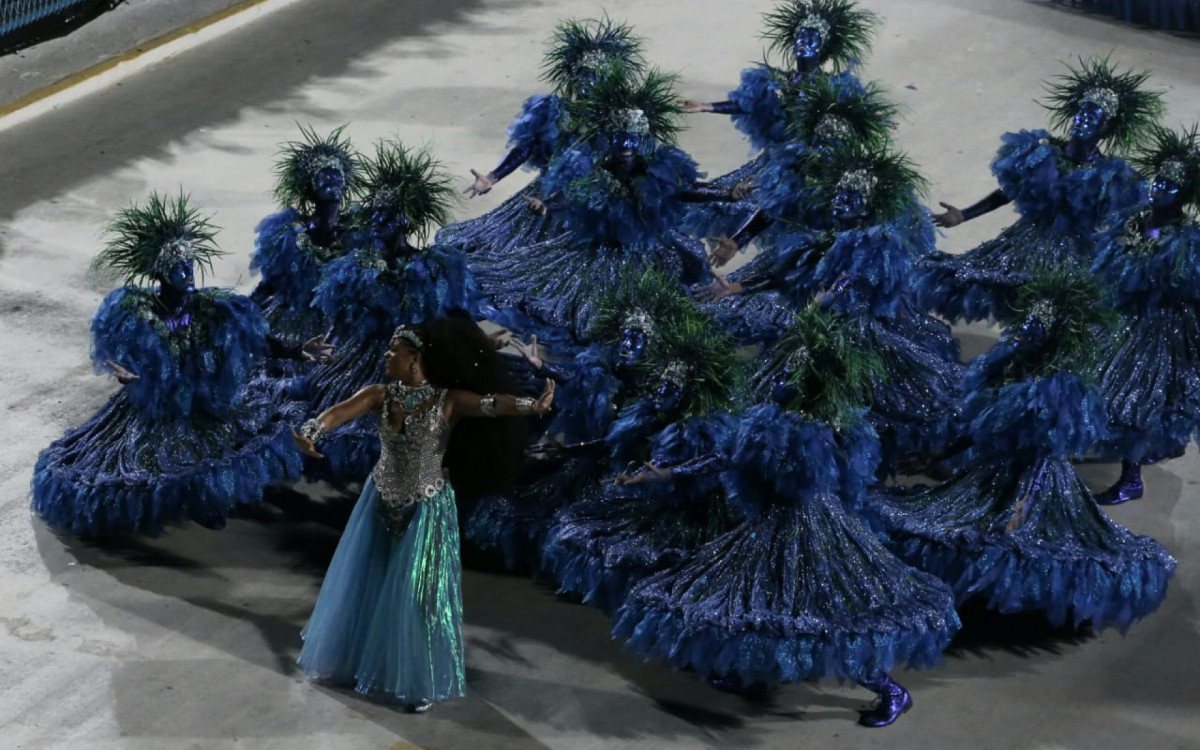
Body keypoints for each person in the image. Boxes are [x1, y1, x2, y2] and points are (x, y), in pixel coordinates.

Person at [615, 303, 959, 728]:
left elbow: (838, 478)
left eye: (788, 375)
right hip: (769, 525)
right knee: (756, 601)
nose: (777, 379)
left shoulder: (830, 427)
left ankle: (891, 691)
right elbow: (726, 458)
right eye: (779, 372)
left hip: (817, 528)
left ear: (808, 385)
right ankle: (752, 671)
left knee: (832, 611)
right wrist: (666, 472)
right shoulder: (765, 421)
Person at [870, 268, 1176, 632]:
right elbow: (986, 428)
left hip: (1034, 484)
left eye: (1036, 324)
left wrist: (1021, 506)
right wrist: (941, 456)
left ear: (1052, 336)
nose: (1024, 329)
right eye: (1027, 321)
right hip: (989, 473)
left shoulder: (1057, 390)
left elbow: (1045, 456)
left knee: (1015, 540)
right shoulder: (1010, 370)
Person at [292, 318, 553, 711]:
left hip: (426, 506)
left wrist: (532, 405)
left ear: (415, 358)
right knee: (367, 581)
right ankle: (356, 660)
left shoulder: (448, 400)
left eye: (394, 351)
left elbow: (492, 404)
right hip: (379, 500)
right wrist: (312, 430)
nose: (386, 356)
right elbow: (339, 413)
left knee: (420, 594)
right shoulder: (379, 394)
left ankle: (418, 679)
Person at [32, 193, 322, 535]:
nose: (187, 272)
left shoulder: (213, 306)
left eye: (190, 263)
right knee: (154, 461)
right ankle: (188, 501)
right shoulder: (137, 310)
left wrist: (294, 350)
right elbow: (116, 352)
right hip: (154, 406)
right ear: (160, 270)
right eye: (178, 265)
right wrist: (123, 371)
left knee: (217, 449)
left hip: (201, 402)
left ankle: (207, 500)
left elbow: (256, 339)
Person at [296, 139, 487, 484]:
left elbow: (454, 313)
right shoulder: (356, 267)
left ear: (404, 220)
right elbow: (343, 316)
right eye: (375, 211)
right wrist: (330, 345)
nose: (376, 220)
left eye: (385, 213)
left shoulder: (432, 266)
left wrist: (481, 344)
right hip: (368, 357)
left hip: (416, 360)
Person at [913, 57, 1160, 323]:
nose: (1082, 121)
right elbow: (1009, 191)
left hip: (1075, 257)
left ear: (1104, 128)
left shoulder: (1110, 177)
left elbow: (1131, 220)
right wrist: (965, 214)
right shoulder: (1043, 152)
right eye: (1081, 113)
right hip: (1026, 243)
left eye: (1092, 119)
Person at [438, 16, 645, 258]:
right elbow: (528, 146)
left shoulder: (621, 118)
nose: (587, 82)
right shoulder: (554, 110)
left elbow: (633, 164)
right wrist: (493, 177)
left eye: (596, 75)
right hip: (546, 194)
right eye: (583, 74)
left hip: (595, 201)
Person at [1089, 125, 1200, 503]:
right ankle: (1152, 451)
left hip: (1160, 325)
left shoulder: (1187, 239)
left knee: (1135, 396)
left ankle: (1131, 479)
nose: (1159, 188)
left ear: (1183, 194)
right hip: (1123, 314)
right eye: (1158, 181)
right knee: (1109, 385)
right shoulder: (1133, 218)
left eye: (1170, 186)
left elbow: (1179, 284)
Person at [249, 125, 361, 353]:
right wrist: (243, 310)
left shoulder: (358, 232)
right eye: (325, 179)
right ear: (310, 188)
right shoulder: (290, 234)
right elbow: (272, 282)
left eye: (337, 177)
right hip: (295, 320)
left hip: (343, 324)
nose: (333, 183)